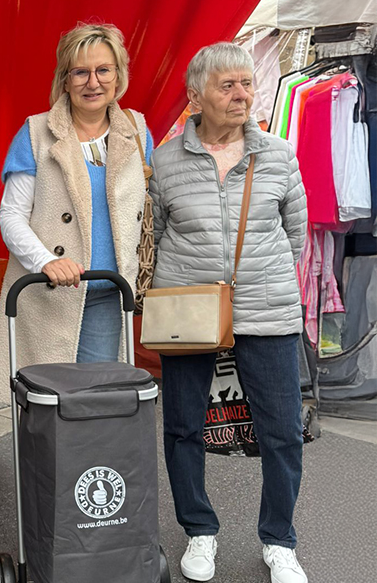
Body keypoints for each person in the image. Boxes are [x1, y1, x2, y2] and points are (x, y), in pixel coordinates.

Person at [149, 42, 308, 583]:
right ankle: (199, 531)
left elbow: (295, 236)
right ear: (196, 96)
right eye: (228, 85)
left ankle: (279, 540)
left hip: (267, 311)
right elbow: (156, 233)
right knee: (183, 427)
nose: (242, 94)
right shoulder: (165, 161)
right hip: (186, 309)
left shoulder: (280, 155)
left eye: (246, 83)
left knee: (282, 431)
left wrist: (256, 284)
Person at [0, 23, 153, 400]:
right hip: (48, 292)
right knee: (46, 405)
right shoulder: (35, 133)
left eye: (103, 70)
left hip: (110, 293)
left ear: (118, 76)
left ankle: (92, 463)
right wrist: (45, 261)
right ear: (64, 80)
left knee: (96, 400)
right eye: (80, 71)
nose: (92, 82)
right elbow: (11, 215)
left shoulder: (138, 130)